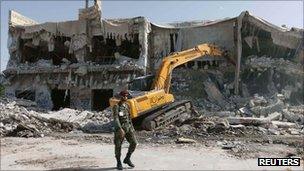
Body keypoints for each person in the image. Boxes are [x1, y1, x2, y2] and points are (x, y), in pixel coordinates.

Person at [112, 90, 137, 170]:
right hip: (120, 129)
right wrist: (119, 129)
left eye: (126, 96)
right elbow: (116, 118)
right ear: (121, 97)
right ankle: (118, 162)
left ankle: (127, 158)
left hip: (128, 128)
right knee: (118, 146)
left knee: (134, 143)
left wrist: (132, 128)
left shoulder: (127, 105)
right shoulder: (116, 106)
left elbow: (129, 118)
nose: (125, 97)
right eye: (124, 96)